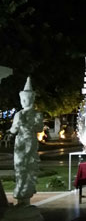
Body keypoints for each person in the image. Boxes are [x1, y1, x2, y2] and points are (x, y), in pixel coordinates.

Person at [9, 77, 43, 206]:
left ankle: (26, 193)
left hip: (30, 142)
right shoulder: (19, 114)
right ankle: (20, 193)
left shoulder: (37, 115)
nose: (24, 102)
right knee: (19, 168)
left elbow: (39, 128)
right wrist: (17, 125)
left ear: (32, 99)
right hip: (20, 143)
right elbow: (13, 130)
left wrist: (27, 125)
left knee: (28, 167)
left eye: (26, 99)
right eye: (22, 100)